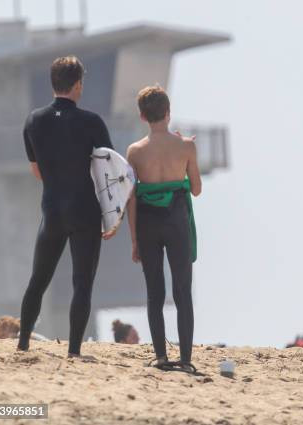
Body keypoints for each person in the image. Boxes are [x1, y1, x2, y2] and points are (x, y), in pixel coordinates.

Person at [18, 56, 115, 357]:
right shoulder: (91, 122)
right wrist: (113, 217)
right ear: (77, 85)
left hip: (52, 210)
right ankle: (74, 350)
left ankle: (22, 344)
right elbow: (110, 171)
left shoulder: (34, 120)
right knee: (82, 283)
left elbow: (37, 169)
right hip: (85, 211)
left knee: (38, 280)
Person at [126, 85, 201, 373]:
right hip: (177, 220)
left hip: (147, 222)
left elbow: (131, 198)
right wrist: (185, 151)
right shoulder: (186, 147)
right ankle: (185, 358)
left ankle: (160, 356)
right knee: (183, 289)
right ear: (168, 113)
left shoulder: (134, 151)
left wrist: (134, 238)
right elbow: (196, 189)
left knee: (154, 291)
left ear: (142, 116)